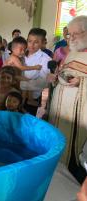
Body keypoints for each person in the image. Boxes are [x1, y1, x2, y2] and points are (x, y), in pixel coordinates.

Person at [49, 15, 87, 183]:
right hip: (61, 110)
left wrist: (82, 81)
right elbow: (62, 73)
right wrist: (56, 78)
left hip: (79, 116)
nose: (70, 38)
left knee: (75, 152)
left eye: (74, 34)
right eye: (69, 34)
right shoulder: (71, 53)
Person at [19, 28, 51, 116]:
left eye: (36, 42)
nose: (32, 45)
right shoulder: (20, 53)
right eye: (29, 41)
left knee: (27, 123)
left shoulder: (45, 59)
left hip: (32, 98)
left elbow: (43, 82)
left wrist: (20, 83)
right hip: (14, 93)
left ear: (42, 42)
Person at [4, 36, 42, 106]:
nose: (23, 52)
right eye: (21, 49)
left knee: (26, 84)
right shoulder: (14, 58)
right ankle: (27, 101)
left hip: (14, 76)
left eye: (24, 50)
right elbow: (21, 68)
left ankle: (23, 102)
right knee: (28, 81)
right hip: (10, 77)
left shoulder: (17, 57)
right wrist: (35, 67)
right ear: (13, 49)